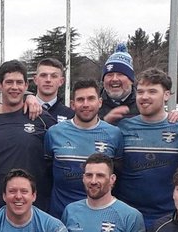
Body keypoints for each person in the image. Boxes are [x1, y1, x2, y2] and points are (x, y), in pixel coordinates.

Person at [0, 60, 57, 220]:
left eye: (19, 82)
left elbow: (54, 165)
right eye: (9, 82)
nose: (14, 87)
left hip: (34, 214)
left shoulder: (43, 119)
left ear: (26, 86)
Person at [115, 68, 178, 230]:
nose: (144, 97)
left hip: (169, 216)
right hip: (128, 215)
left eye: (152, 91)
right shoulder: (123, 127)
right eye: (140, 92)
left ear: (166, 95)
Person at [44, 79, 123, 218]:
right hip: (60, 217)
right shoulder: (54, 133)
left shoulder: (114, 134)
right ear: (73, 104)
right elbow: (46, 173)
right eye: (80, 100)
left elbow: (119, 176)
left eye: (91, 99)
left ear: (100, 102)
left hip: (101, 217)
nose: (86, 104)